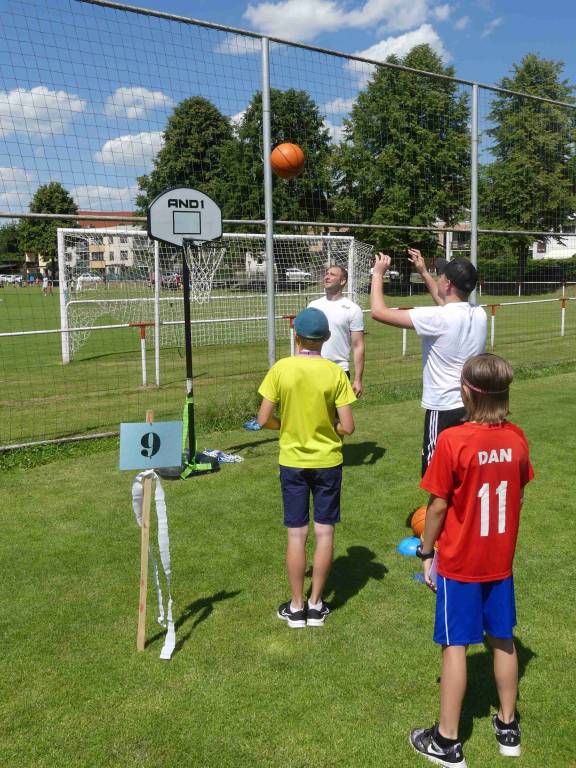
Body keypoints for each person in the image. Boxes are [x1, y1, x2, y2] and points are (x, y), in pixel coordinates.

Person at [410, 353, 534, 768]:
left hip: (461, 562)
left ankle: (446, 742)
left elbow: (438, 506)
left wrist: (427, 551)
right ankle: (508, 726)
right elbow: (517, 493)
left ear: (465, 391)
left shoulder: (453, 440)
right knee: (502, 637)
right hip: (499, 559)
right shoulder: (517, 438)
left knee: (455, 645)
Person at [257, 307, 356, 628]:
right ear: (326, 338)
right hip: (328, 462)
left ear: (295, 335)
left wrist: (284, 425)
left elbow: (263, 419)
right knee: (324, 532)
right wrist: (330, 427)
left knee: (296, 534)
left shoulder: (281, 369)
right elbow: (348, 427)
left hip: (293, 462)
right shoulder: (335, 373)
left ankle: (297, 606)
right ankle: (316, 605)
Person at [371, 251, 487, 475]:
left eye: (440, 275)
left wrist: (377, 274)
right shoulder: (479, 313)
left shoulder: (436, 318)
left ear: (448, 284)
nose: (438, 278)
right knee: (465, 471)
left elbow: (378, 312)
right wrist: (423, 272)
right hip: (474, 405)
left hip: (443, 408)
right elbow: (447, 302)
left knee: (437, 475)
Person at [308, 264, 365, 396]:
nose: (327, 277)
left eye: (332, 274)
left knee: (338, 410)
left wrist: (358, 379)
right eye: (326, 274)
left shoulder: (353, 309)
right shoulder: (313, 306)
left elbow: (358, 345)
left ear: (342, 281)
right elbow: (302, 338)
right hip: (313, 369)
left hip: (338, 370)